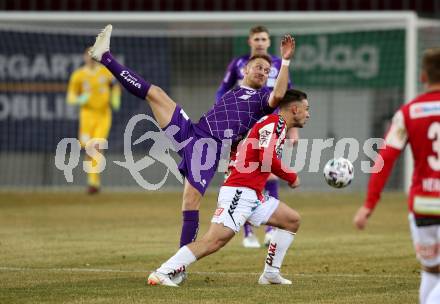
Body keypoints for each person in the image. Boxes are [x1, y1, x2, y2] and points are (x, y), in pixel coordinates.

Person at [89, 25, 295, 247]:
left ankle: (180, 263)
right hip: (192, 132)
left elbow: (279, 94)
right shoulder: (233, 91)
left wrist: (284, 61)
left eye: (267, 71)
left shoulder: (261, 99)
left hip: (208, 147)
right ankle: (105, 57)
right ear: (245, 69)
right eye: (259, 68)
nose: (263, 73)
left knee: (190, 202)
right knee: (155, 93)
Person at [147, 89, 310, 286]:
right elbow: (266, 157)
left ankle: (270, 274)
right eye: (306, 109)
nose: (308, 114)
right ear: (294, 108)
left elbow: (243, 148)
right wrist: (291, 177)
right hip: (240, 192)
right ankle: (163, 272)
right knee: (214, 241)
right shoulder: (274, 123)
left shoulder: (274, 124)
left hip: (253, 193)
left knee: (291, 220)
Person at [353, 48, 440, 304]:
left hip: (423, 205)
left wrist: (369, 205)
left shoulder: (408, 113)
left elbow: (384, 159)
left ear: (422, 76)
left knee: (432, 273)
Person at [217, 25, 297, 248]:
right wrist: (223, 116)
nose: (260, 42)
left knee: (268, 172)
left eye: (264, 39)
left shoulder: (278, 65)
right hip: (245, 126)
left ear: (269, 42)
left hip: (271, 127)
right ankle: (248, 232)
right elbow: (221, 92)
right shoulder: (239, 64)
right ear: (250, 42)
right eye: (257, 39)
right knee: (244, 174)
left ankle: (270, 229)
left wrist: (292, 128)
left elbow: (287, 95)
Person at [66, 47, 121, 194]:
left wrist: (115, 98)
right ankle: (93, 180)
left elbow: (115, 87)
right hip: (87, 115)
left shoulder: (105, 72)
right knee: (88, 147)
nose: (90, 58)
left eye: (93, 55)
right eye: (88, 55)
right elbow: (70, 97)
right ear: (84, 57)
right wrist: (79, 99)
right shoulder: (78, 75)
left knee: (96, 145)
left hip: (103, 115)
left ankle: (93, 182)